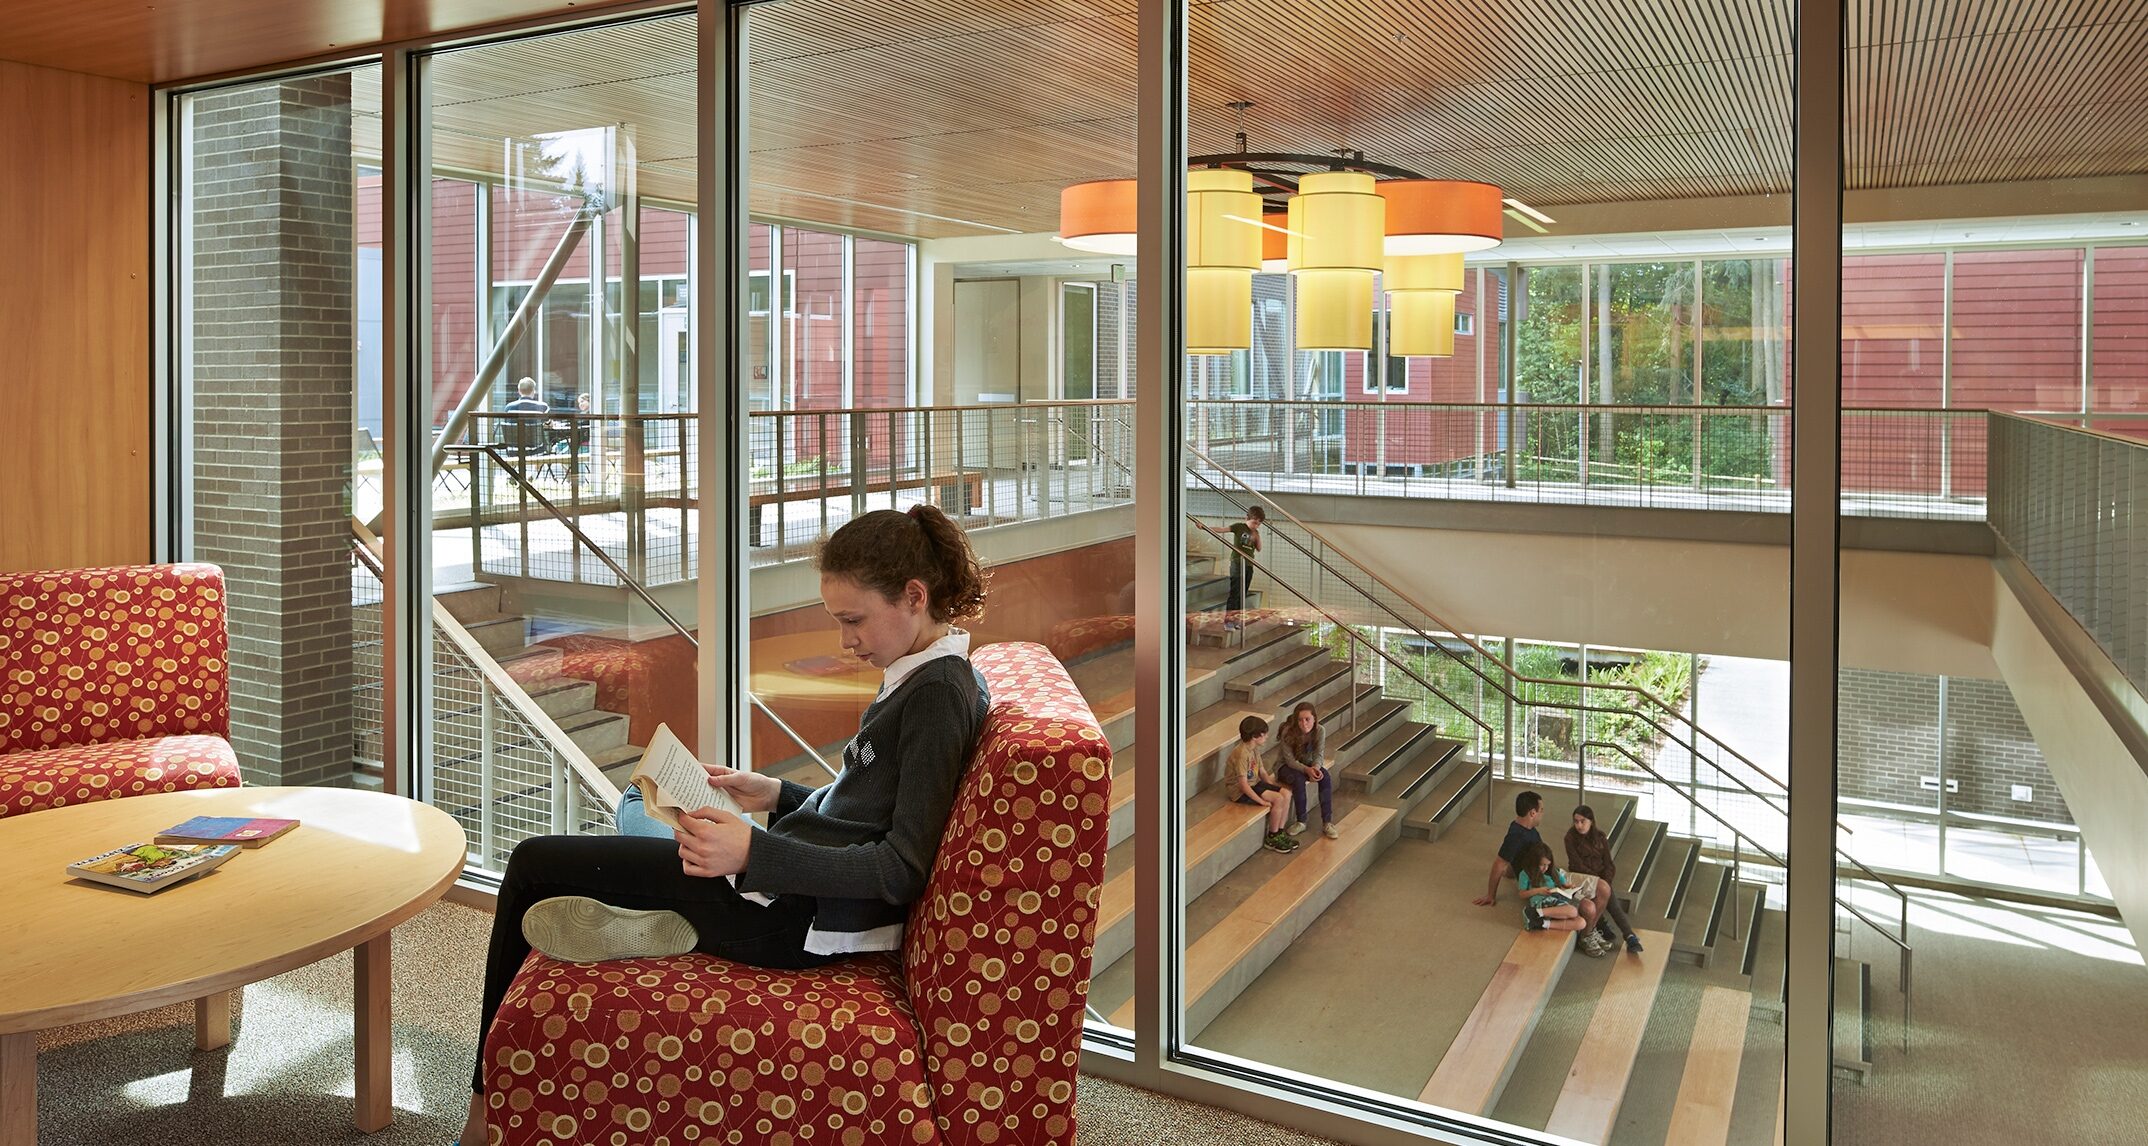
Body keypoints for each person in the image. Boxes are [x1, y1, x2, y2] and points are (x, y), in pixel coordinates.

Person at [457, 504, 991, 1146]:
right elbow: (861, 808)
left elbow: (902, 868)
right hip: (781, 886)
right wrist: (775, 793)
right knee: (639, 805)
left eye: (854, 620)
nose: (846, 641)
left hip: (783, 918)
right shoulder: (923, 674)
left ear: (914, 595)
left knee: (532, 865)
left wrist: (752, 853)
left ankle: (486, 1108)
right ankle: (652, 924)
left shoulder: (936, 694)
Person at [1566, 805, 1644, 955]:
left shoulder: (1600, 837)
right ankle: (1626, 934)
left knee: (1607, 891)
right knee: (1608, 896)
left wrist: (1606, 879)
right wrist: (1599, 881)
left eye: (1582, 821)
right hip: (1582, 877)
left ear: (1591, 821)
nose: (1579, 825)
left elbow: (1609, 863)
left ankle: (1621, 933)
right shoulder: (1570, 838)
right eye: (1576, 821)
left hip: (1600, 877)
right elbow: (1577, 865)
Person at [1514, 840, 1614, 956]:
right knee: (1572, 911)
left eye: (1548, 865)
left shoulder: (1553, 872)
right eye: (1542, 865)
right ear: (1534, 862)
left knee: (1581, 923)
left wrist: (1569, 887)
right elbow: (1521, 894)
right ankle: (1534, 912)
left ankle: (1541, 923)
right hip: (1543, 902)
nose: (1545, 868)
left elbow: (1563, 884)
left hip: (1558, 902)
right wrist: (1538, 890)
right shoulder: (1525, 873)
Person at [1229, 716, 1298, 854]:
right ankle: (1271, 838)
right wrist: (1261, 801)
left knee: (1286, 793)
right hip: (1240, 791)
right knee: (1278, 799)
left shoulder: (1253, 748)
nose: (1267, 736)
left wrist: (1274, 787)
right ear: (1255, 736)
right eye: (1264, 733)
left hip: (1254, 783)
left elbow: (1262, 772)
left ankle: (1279, 831)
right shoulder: (1241, 754)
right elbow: (1243, 785)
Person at [1472, 789, 1545, 907]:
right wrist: (1491, 895)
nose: (1543, 813)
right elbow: (1499, 864)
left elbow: (1513, 856)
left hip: (1542, 867)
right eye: (1541, 810)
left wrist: (1510, 873)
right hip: (1538, 877)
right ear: (1532, 813)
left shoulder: (1522, 825)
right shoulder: (1517, 837)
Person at [1276, 701, 1338, 839]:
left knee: (1325, 777)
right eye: (1300, 720)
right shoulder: (1288, 731)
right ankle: (1301, 821)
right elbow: (1290, 761)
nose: (1304, 723)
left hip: (1308, 764)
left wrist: (1315, 768)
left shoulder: (1320, 730)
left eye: (1307, 719)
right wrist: (1307, 770)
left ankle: (1327, 822)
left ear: (1314, 719)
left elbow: (1319, 754)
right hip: (1286, 767)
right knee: (1298, 780)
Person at [1202, 505, 1265, 629]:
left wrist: (1256, 535)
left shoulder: (1255, 532)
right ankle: (1229, 621)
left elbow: (1258, 548)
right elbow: (1222, 529)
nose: (1256, 525)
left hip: (1248, 565)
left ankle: (1238, 620)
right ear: (1247, 518)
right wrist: (1205, 528)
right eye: (1254, 522)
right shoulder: (1239, 527)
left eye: (1258, 524)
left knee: (1243, 594)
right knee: (1235, 592)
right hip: (1237, 563)